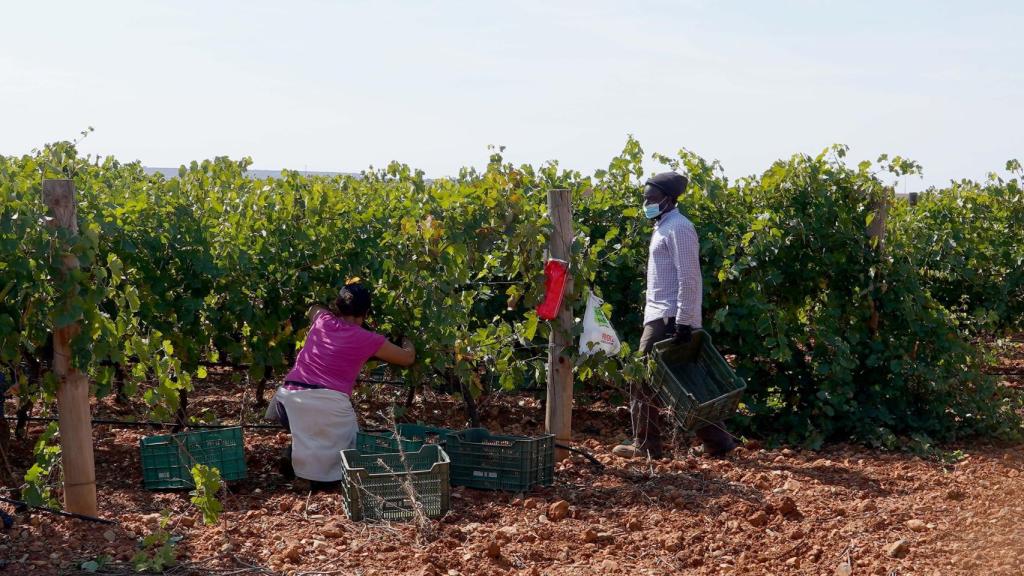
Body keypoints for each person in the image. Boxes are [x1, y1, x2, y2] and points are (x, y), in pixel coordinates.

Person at [613, 172, 737, 460]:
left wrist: (684, 321)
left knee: (642, 378)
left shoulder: (679, 228)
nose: (647, 204)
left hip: (668, 316)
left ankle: (646, 445)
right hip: (662, 314)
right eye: (645, 198)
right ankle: (718, 442)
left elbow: (689, 277)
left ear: (669, 199)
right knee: (679, 382)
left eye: (652, 199)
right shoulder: (664, 226)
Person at [265, 280, 415, 486]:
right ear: (366, 312)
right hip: (327, 408)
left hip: (286, 405)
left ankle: (294, 456)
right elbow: (407, 358)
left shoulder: (322, 319)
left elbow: (313, 308)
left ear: (338, 306)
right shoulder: (369, 339)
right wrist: (406, 339)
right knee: (347, 446)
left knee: (310, 426)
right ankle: (315, 478)